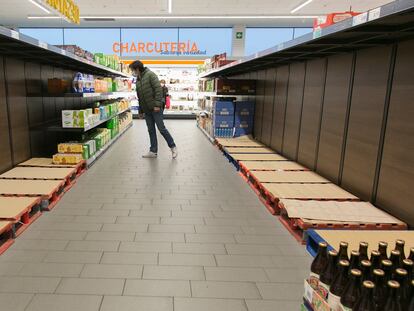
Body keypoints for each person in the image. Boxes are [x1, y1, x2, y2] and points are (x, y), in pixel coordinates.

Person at [129, 60, 177, 159]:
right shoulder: (138, 79)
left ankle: (173, 147)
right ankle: (153, 151)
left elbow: (158, 90)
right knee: (151, 130)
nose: (132, 72)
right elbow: (140, 97)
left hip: (156, 109)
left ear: (137, 69)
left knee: (161, 129)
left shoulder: (151, 75)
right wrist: (140, 111)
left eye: (133, 70)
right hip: (147, 110)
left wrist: (157, 105)